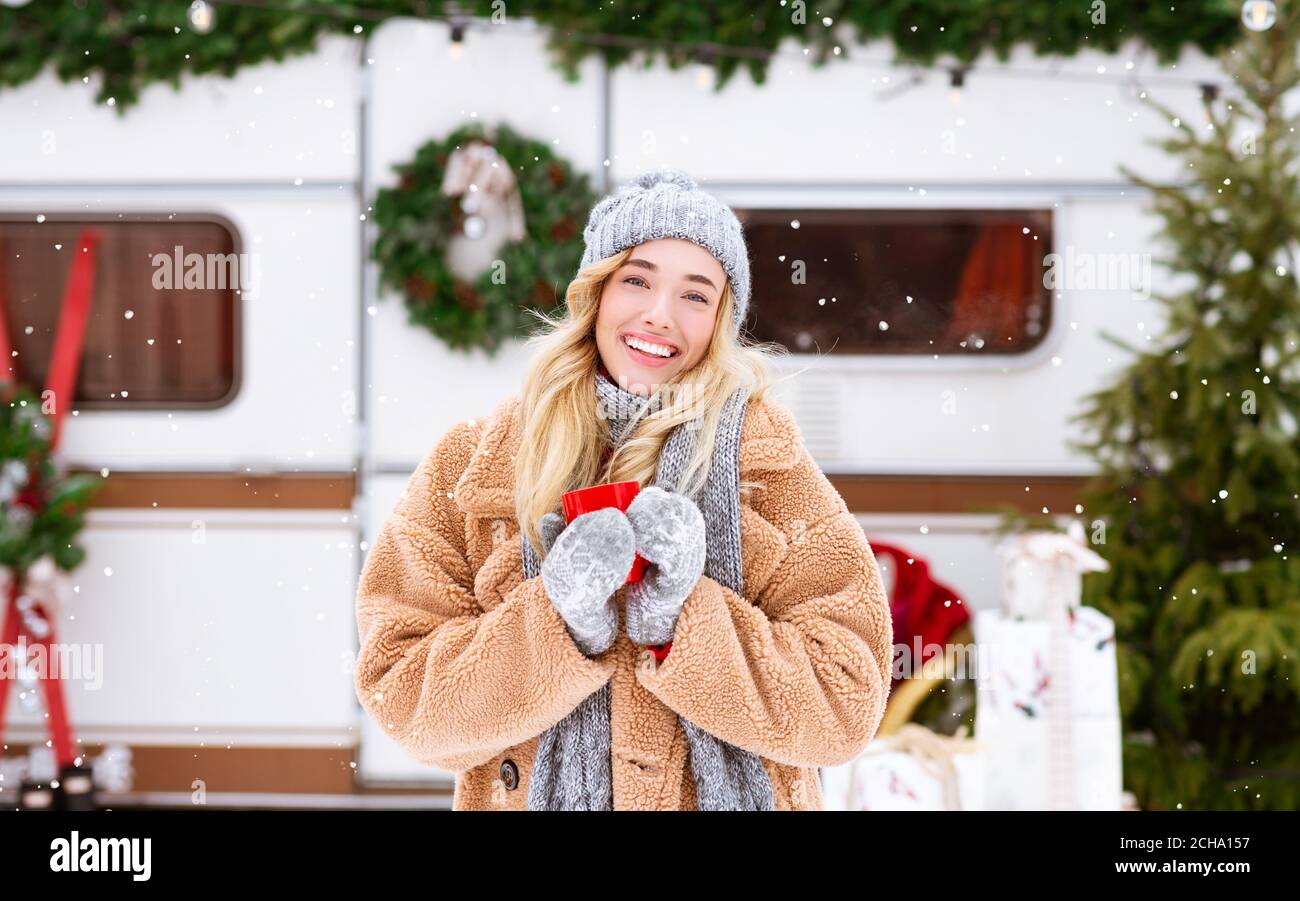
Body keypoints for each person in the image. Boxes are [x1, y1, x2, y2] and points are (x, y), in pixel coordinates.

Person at [353, 167, 894, 810]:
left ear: (721, 319)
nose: (660, 316)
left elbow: (844, 703)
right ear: (596, 294)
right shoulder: (475, 463)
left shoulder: (766, 464)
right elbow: (402, 695)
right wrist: (557, 619)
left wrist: (681, 622)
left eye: (696, 295)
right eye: (636, 280)